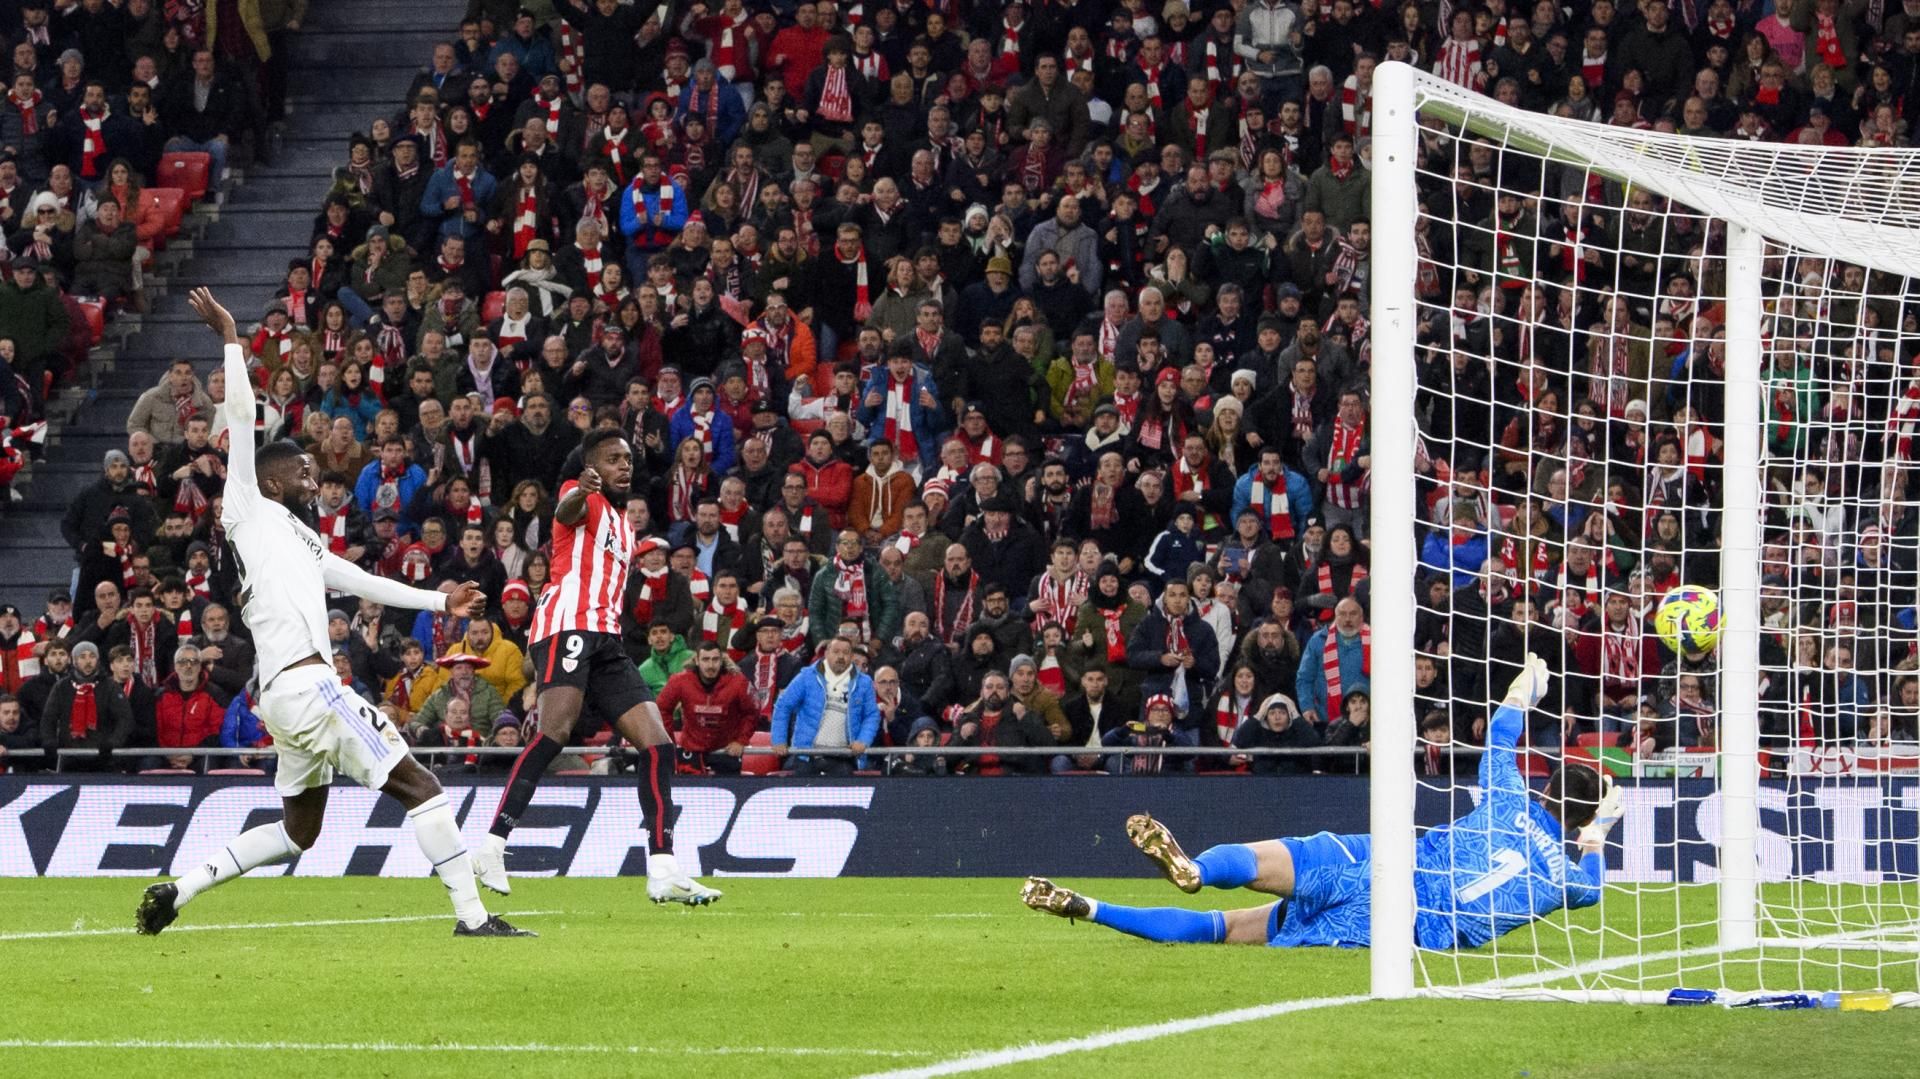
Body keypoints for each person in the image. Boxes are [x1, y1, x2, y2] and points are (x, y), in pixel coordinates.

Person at [136, 289, 529, 938]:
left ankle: (183, 887)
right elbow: (240, 412)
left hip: (286, 699)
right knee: (421, 784)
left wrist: (441, 601)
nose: (313, 480)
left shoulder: (300, 537)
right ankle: (473, 916)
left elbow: (363, 579)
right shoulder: (248, 511)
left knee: (299, 832)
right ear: (270, 480)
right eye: (303, 471)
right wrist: (231, 338)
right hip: (311, 687)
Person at [1022, 655, 1619, 949]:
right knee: (1222, 931)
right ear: (1585, 817)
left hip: (1386, 867)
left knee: (1262, 866)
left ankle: (1197, 868)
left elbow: (1498, 739)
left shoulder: (1508, 797)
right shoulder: (1565, 876)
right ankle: (1094, 909)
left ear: (1546, 786)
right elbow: (1592, 886)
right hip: (1398, 930)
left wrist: (1522, 690)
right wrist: (1598, 836)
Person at [478, 425, 720, 906]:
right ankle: (491, 846)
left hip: (606, 638)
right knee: (554, 733)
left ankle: (663, 867)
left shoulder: (625, 527)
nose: (624, 466)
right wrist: (582, 488)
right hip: (567, 625)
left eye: (628, 459)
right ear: (592, 466)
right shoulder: (579, 496)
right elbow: (564, 511)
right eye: (613, 459)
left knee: (658, 745)